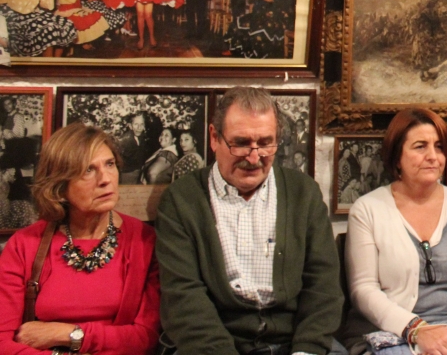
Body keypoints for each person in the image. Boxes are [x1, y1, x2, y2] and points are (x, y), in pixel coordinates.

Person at [156, 86, 345, 355]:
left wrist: (307, 350)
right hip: (213, 346)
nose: (254, 158)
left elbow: (323, 287)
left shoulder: (303, 193)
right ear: (214, 138)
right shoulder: (182, 200)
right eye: (241, 143)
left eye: (266, 143)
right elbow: (183, 298)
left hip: (296, 343)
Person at [342, 108, 447, 355]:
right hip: (392, 332)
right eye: (420, 147)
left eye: (439, 147)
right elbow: (363, 289)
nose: (433, 156)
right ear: (397, 156)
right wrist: (417, 330)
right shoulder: (367, 210)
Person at [0, 123, 161, 354]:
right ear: (59, 185)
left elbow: (145, 337)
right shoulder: (25, 244)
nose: (105, 179)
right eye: (88, 170)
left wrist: (68, 334)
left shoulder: (144, 241)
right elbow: (3, 342)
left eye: (110, 164)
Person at [117, 112, 150, 185]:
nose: (139, 127)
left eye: (142, 124)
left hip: (137, 172)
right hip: (127, 173)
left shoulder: (142, 137)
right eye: (136, 124)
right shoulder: (126, 140)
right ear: (130, 126)